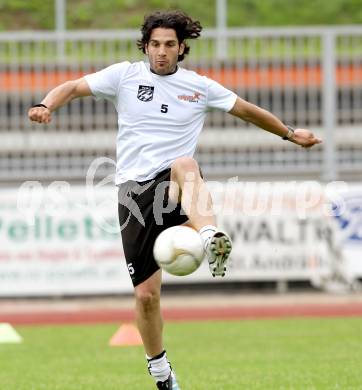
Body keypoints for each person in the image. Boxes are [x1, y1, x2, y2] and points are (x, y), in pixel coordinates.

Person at [28, 9, 322, 390]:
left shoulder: (198, 86)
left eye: (169, 45)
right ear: (145, 46)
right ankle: (161, 373)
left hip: (174, 185)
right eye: (155, 45)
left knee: (185, 163)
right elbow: (71, 87)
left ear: (182, 48)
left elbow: (247, 110)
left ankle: (210, 235)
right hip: (134, 194)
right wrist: (45, 104)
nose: (161, 52)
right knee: (146, 296)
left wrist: (289, 133)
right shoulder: (124, 76)